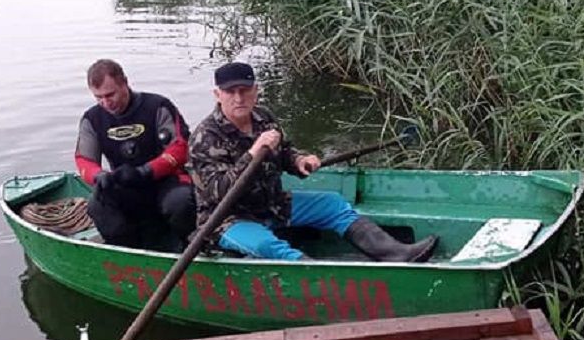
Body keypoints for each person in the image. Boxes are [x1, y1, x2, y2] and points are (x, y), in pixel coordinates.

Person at [188, 62, 438, 262]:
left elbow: (284, 152)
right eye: (230, 92)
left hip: (272, 204)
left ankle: (398, 254)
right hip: (227, 220)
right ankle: (316, 274)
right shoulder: (205, 137)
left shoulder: (264, 118)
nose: (238, 98)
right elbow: (218, 192)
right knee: (267, 245)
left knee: (333, 204)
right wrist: (254, 152)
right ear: (217, 95)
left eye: (244, 90)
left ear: (255, 91)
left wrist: (299, 160)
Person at [75, 59, 196, 249]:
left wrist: (146, 171)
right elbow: (84, 160)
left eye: (110, 94)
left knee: (180, 203)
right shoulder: (93, 119)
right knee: (97, 206)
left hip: (167, 181)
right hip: (125, 185)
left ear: (124, 83)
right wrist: (99, 176)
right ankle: (129, 252)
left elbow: (180, 148)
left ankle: (188, 247)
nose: (105, 103)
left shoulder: (158, 106)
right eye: (98, 97)